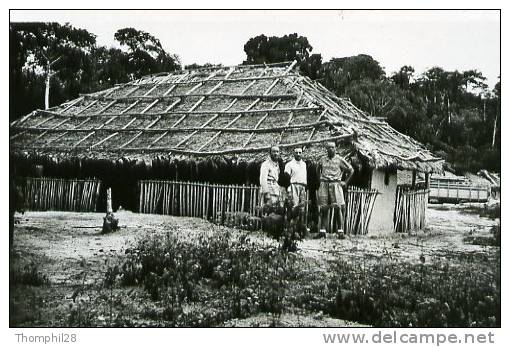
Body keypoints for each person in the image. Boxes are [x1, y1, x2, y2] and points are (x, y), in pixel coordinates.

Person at [317, 141, 354, 236]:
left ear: (335, 148)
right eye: (329, 147)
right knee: (324, 208)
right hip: (324, 184)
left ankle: (340, 231)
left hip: (335, 184)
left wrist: (345, 182)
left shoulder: (340, 160)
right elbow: (317, 168)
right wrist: (320, 179)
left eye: (332, 147)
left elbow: (351, 170)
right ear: (326, 149)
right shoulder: (322, 159)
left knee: (338, 207)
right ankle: (322, 231)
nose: (330, 149)